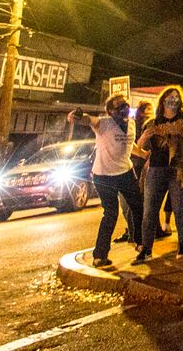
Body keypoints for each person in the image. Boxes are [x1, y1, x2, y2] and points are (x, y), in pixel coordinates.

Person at [69, 95, 142, 269]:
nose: (124, 109)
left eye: (125, 105)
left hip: (125, 171)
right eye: (119, 107)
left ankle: (140, 242)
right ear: (110, 111)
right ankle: (100, 255)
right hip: (104, 175)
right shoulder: (103, 123)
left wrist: (144, 154)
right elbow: (86, 119)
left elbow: (130, 146)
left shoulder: (131, 124)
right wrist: (76, 115)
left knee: (138, 206)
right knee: (111, 213)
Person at [133, 86, 183, 263]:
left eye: (176, 97)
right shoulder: (153, 123)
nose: (173, 100)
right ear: (162, 100)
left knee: (180, 209)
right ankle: (146, 249)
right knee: (149, 211)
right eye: (170, 97)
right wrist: (144, 138)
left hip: (179, 169)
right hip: (156, 168)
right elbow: (139, 148)